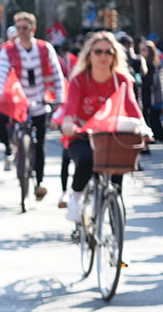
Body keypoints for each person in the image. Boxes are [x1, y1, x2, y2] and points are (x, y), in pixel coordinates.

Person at [59, 31, 150, 222]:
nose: (103, 56)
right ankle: (75, 198)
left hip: (111, 136)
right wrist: (68, 123)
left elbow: (132, 105)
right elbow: (71, 105)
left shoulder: (122, 80)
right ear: (89, 55)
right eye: (98, 51)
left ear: (115, 56)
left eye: (108, 52)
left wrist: (143, 127)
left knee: (117, 170)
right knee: (85, 161)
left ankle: (114, 217)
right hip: (82, 135)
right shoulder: (79, 80)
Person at [0, 11, 66, 191]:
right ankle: (9, 148)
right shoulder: (7, 51)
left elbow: (57, 75)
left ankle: (39, 182)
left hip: (40, 101)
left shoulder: (45, 48)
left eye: (25, 28)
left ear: (33, 28)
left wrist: (59, 99)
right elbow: (1, 74)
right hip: (17, 102)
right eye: (18, 28)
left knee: (39, 143)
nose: (22, 32)